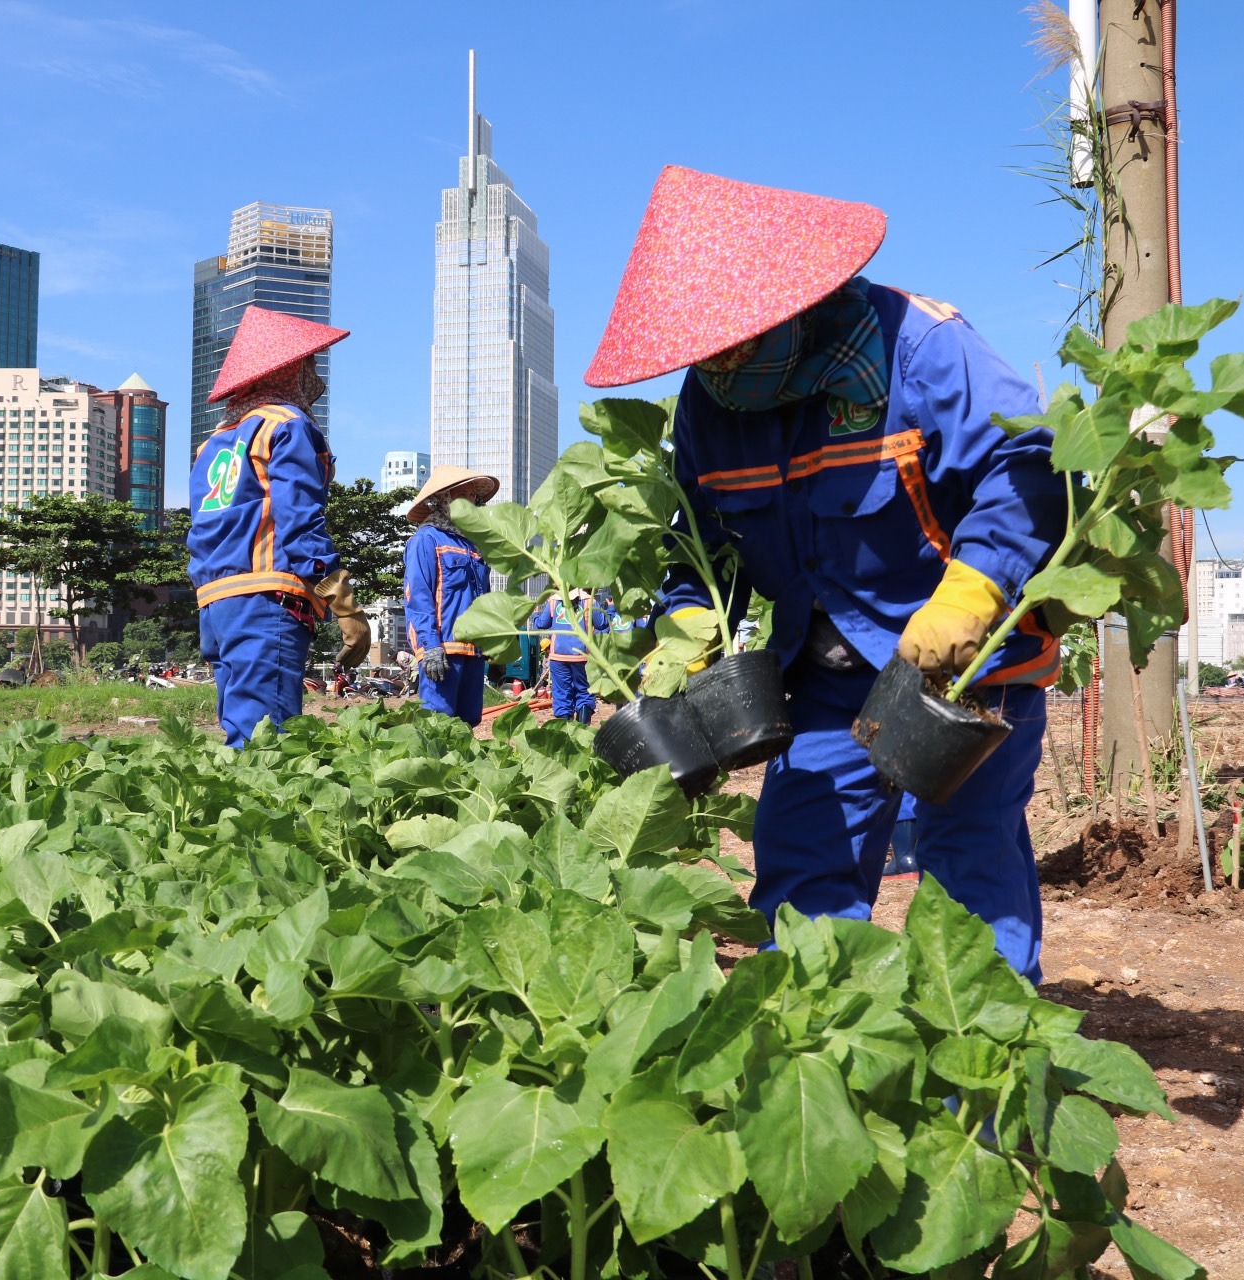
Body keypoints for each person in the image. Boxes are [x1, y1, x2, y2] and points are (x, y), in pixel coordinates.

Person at [584, 166, 1066, 980]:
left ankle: (985, 1078)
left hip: (965, 666)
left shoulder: (922, 347)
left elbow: (1027, 461)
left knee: (967, 864)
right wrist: (688, 627)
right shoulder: (711, 403)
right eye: (704, 348)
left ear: (795, 298)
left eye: (735, 336)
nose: (722, 363)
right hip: (821, 671)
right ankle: (822, 1064)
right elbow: (704, 537)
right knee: (803, 865)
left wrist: (975, 588)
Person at [187, 305, 371, 747]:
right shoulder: (288, 425)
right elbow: (300, 524)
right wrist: (345, 605)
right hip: (267, 599)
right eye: (309, 363)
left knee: (241, 729)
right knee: (266, 743)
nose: (315, 377)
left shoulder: (211, 444)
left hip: (216, 604)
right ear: (290, 370)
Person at [402, 466, 498, 726]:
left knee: (469, 721)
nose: (468, 501)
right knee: (438, 722)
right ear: (443, 499)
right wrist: (430, 646)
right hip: (442, 648)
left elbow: (484, 598)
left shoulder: (473, 546)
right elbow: (418, 597)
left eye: (471, 495)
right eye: (460, 495)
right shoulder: (426, 539)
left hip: (473, 649)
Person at [531, 589, 610, 724]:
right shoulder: (588, 601)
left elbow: (541, 624)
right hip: (582, 655)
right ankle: (582, 730)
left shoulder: (554, 600)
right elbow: (602, 623)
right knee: (584, 693)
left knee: (562, 695)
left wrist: (535, 615)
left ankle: (565, 732)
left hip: (558, 656)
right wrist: (611, 610)